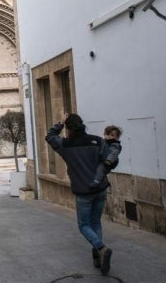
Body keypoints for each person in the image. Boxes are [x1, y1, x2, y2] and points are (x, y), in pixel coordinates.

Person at [45, 112, 113, 275]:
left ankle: (101, 248)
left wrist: (60, 123)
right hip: (100, 188)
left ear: (68, 129)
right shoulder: (98, 141)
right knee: (96, 222)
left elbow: (49, 136)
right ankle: (98, 257)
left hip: (83, 191)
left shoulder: (65, 145)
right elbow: (107, 161)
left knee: (83, 225)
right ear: (82, 125)